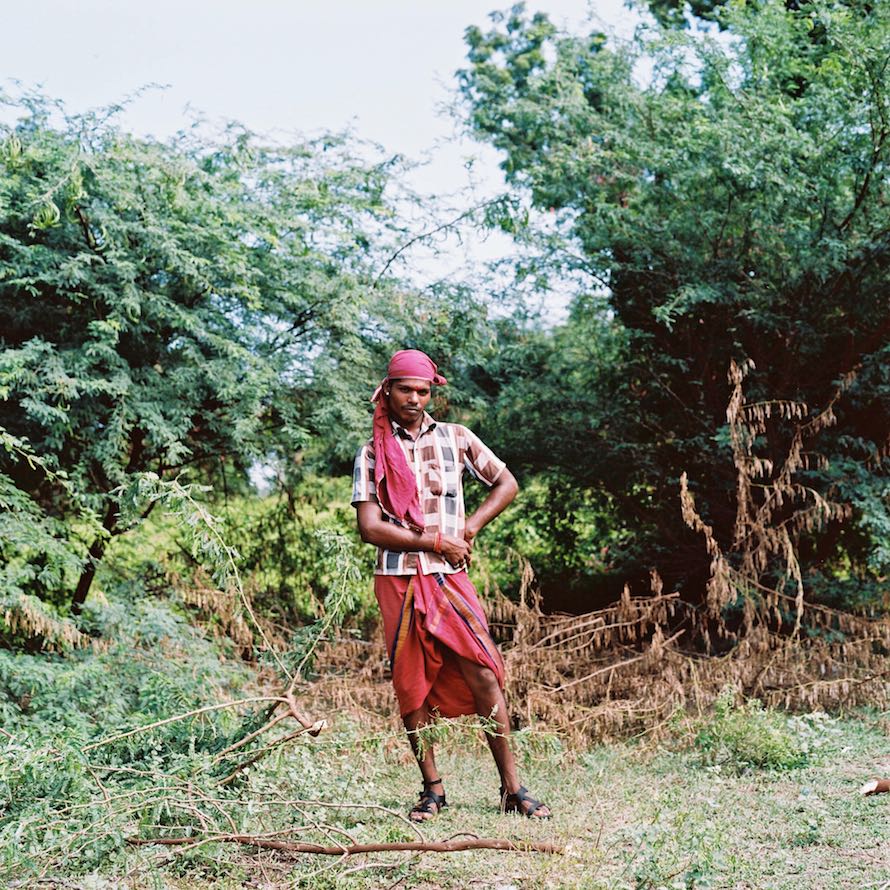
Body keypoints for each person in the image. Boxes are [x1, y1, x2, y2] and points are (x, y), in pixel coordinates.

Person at [352, 348, 550, 822]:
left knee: (483, 671)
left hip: (449, 579)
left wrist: (470, 528)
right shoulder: (373, 452)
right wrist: (435, 539)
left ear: (431, 393)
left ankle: (512, 788)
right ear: (389, 389)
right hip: (397, 579)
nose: (414, 399)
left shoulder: (457, 438)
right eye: (405, 389)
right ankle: (433, 791)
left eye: (423, 391)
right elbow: (371, 527)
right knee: (412, 685)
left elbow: (506, 483)